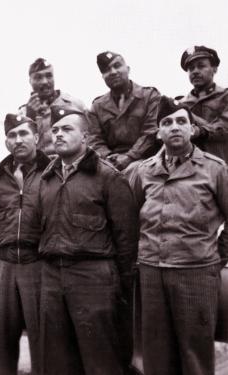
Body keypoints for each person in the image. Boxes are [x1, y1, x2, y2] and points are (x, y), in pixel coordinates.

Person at [128, 96, 228, 375]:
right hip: (151, 273)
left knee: (194, 354)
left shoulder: (215, 169)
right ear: (158, 132)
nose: (174, 127)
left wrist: (219, 255)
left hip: (196, 272)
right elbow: (129, 217)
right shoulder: (143, 171)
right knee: (157, 354)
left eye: (181, 121)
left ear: (192, 129)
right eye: (167, 122)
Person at [38, 106, 138, 375]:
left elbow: (126, 240)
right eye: (55, 129)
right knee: (57, 361)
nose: (58, 134)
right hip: (51, 277)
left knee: (100, 361)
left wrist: (121, 287)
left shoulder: (109, 177)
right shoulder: (46, 179)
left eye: (67, 129)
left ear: (85, 137)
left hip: (93, 278)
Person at [0, 114, 50, 375]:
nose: (18, 140)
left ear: (36, 137)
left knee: (42, 339)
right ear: (6, 142)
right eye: (12, 135)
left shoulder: (52, 172)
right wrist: (3, 248)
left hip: (38, 264)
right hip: (3, 264)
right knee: (3, 339)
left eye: (23, 133)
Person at [88, 51, 161, 170]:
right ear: (102, 77)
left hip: (146, 160)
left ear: (127, 69)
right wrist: (109, 158)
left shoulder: (150, 96)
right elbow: (94, 140)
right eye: (106, 70)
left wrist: (129, 157)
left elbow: (151, 132)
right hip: (110, 164)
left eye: (117, 66)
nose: (113, 72)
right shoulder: (97, 106)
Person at [19, 57, 85, 154]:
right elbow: (23, 149)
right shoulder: (22, 114)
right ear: (30, 81)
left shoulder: (74, 104)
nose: (45, 81)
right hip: (40, 166)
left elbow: (90, 137)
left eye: (49, 76)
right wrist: (31, 117)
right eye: (38, 77)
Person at [178, 45, 228, 163]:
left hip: (222, 164)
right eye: (191, 68)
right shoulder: (181, 103)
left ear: (214, 69)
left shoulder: (225, 96)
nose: (195, 71)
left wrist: (199, 131)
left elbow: (225, 127)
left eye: (201, 66)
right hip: (188, 166)